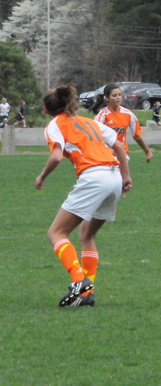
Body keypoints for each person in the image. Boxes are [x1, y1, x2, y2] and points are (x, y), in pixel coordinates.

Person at [34, 85, 132, 307]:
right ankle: (87, 294)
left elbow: (56, 156)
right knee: (87, 234)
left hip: (94, 177)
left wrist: (42, 176)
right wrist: (126, 177)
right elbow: (118, 145)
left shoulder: (55, 124)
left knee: (56, 232)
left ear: (46, 109)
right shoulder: (90, 122)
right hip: (114, 176)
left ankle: (79, 281)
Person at [92, 84, 153, 163]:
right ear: (107, 98)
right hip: (106, 155)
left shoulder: (128, 114)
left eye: (119, 95)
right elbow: (94, 135)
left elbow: (136, 136)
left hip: (122, 154)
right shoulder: (102, 115)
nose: (118, 97)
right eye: (114, 95)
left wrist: (147, 151)